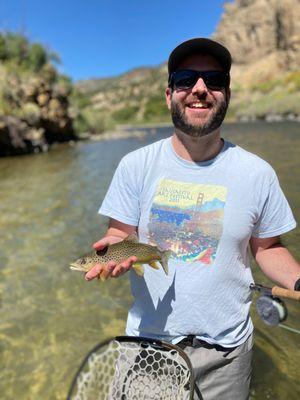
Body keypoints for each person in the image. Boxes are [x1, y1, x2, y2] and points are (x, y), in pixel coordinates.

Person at [84, 38, 300, 399]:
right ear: (169, 95)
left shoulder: (258, 173)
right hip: (148, 347)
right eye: (186, 79)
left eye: (213, 80)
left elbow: (268, 248)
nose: (200, 89)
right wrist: (114, 251)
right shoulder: (134, 166)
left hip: (228, 353)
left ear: (226, 94)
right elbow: (120, 233)